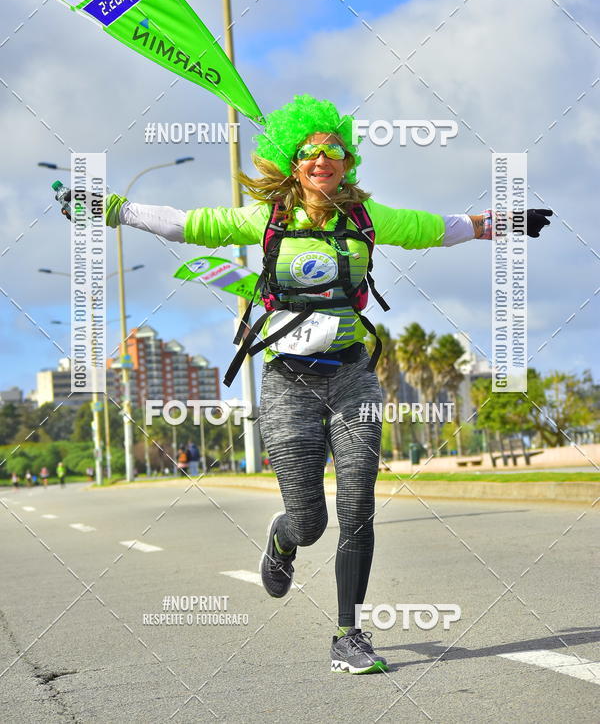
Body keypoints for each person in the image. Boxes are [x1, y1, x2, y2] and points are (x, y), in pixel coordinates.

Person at [99, 94, 552, 674]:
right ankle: (285, 538)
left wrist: (506, 222)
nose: (323, 159)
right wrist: (110, 208)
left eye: (333, 150)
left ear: (347, 160)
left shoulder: (365, 218)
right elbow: (187, 225)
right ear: (292, 162)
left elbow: (438, 229)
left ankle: (349, 635)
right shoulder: (262, 220)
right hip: (288, 384)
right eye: (310, 152)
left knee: (358, 506)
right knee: (310, 520)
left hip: (353, 375)